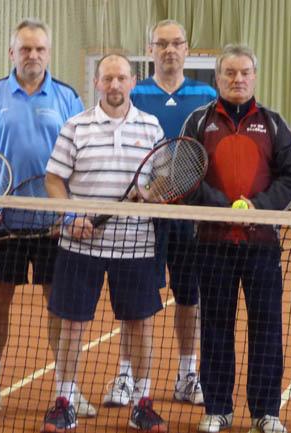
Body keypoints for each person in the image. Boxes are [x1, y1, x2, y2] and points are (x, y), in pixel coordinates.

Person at [0, 18, 94, 419]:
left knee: (60, 306)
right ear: (12, 53)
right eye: (25, 49)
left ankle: (67, 390)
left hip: (55, 225)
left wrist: (70, 213)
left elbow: (80, 160)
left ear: (48, 53)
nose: (32, 55)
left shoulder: (68, 97)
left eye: (39, 49)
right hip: (6, 221)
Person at [42, 53, 167, 433]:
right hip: (81, 246)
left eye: (121, 78)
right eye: (107, 78)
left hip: (136, 245)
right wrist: (70, 217)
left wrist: (150, 193)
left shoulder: (151, 126)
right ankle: (64, 401)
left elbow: (164, 178)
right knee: (72, 325)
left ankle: (142, 402)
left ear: (133, 82)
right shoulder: (75, 126)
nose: (114, 85)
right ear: (96, 82)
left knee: (140, 325)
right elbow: (53, 179)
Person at [181, 44, 291, 433]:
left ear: (255, 77)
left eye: (245, 72)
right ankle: (218, 408)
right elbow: (186, 175)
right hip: (212, 244)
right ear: (217, 78)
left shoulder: (274, 123)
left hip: (262, 246)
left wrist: (257, 208)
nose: (238, 79)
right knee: (216, 326)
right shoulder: (198, 122)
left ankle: (266, 412)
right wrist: (224, 208)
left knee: (266, 328)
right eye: (230, 73)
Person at [102, 19, 216, 408]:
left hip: (187, 218)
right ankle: (126, 375)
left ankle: (187, 375)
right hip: (140, 218)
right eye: (161, 44)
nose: (169, 50)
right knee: (136, 300)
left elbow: (209, 156)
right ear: (150, 49)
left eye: (176, 43)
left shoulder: (207, 95)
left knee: (189, 297)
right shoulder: (134, 93)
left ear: (187, 49)